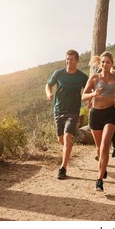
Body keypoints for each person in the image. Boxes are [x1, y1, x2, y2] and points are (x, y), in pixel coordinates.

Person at [82, 51, 115, 191]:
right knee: (99, 148)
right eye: (103, 62)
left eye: (108, 62)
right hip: (95, 114)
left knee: (106, 145)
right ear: (100, 63)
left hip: (110, 113)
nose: (105, 64)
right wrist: (94, 93)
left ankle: (99, 180)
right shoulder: (94, 78)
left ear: (112, 64)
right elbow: (83, 96)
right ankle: (103, 167)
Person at [45, 49, 89, 180]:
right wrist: (49, 94)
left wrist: (90, 101)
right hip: (58, 110)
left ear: (77, 61)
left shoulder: (82, 77)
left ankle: (63, 168)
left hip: (73, 111)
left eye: (72, 59)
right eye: (67, 59)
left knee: (68, 136)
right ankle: (68, 146)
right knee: (61, 140)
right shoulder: (58, 74)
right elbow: (48, 85)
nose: (69, 61)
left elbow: (87, 91)